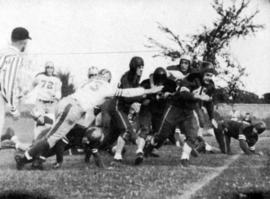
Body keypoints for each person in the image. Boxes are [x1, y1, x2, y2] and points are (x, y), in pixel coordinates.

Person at [14, 69, 163, 170]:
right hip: (73, 108)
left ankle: (29, 158)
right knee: (51, 137)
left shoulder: (90, 82)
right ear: (108, 79)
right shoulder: (107, 87)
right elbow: (126, 92)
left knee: (53, 138)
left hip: (69, 106)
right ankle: (25, 157)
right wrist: (148, 90)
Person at [135, 67, 176, 165]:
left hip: (160, 111)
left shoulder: (170, 84)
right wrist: (153, 96)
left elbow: (175, 94)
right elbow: (142, 99)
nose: (161, 83)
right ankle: (139, 151)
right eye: (159, 80)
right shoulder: (146, 83)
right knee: (145, 129)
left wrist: (169, 94)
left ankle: (150, 149)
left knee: (162, 134)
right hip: (147, 109)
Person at [0, 27, 31, 148]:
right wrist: (13, 108)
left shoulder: (2, 51)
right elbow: (6, 83)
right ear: (24, 42)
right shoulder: (14, 56)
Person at [109, 56, 144, 162]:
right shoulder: (127, 77)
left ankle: (109, 150)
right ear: (134, 67)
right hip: (117, 107)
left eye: (142, 67)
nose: (141, 69)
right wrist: (142, 96)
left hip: (123, 108)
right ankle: (117, 156)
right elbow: (127, 96)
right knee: (126, 130)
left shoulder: (135, 77)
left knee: (113, 136)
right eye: (139, 67)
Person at [30, 61, 62, 139]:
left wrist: (56, 96)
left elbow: (58, 92)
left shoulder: (56, 79)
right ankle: (35, 141)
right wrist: (25, 93)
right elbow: (32, 85)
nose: (49, 69)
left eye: (51, 67)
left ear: (53, 69)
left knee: (50, 123)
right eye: (48, 67)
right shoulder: (40, 76)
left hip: (51, 103)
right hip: (40, 102)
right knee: (39, 122)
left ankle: (46, 141)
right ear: (45, 68)